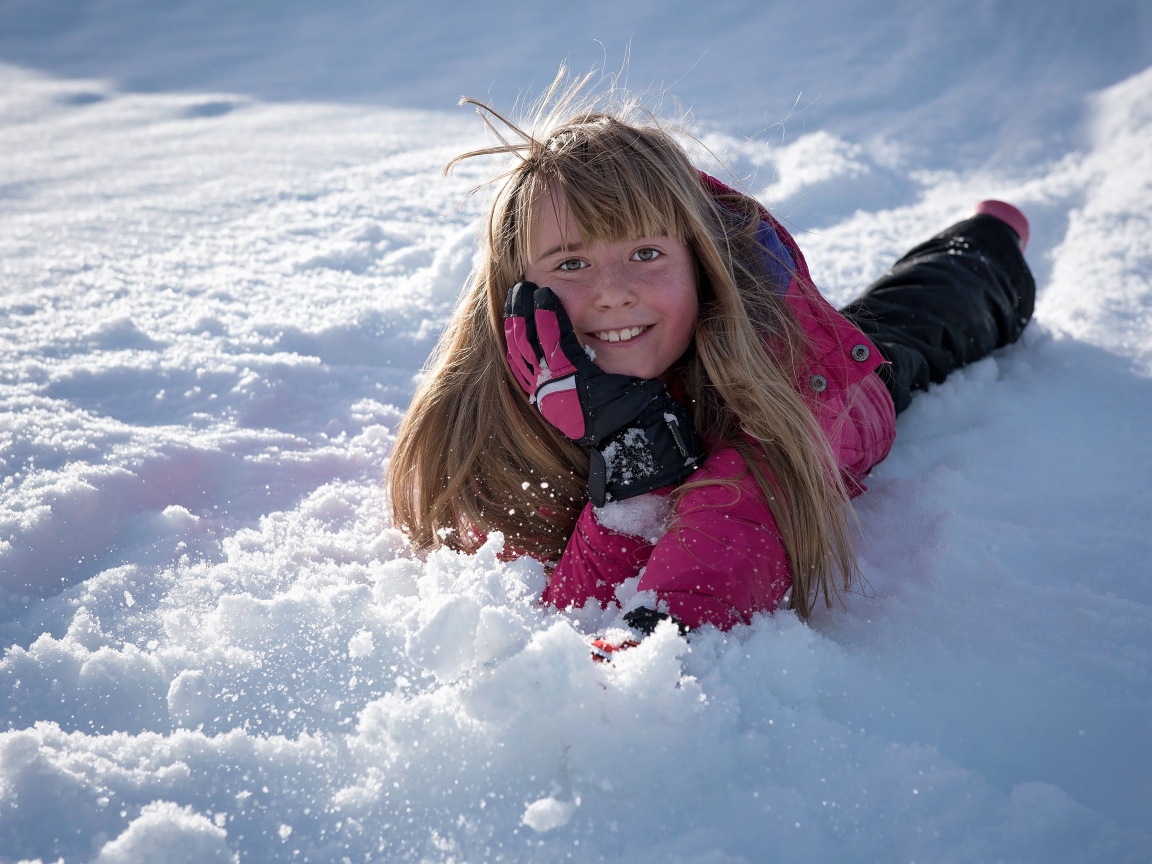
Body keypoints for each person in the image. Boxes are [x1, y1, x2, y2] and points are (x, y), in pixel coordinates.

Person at [388, 79, 1034, 650]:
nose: (615, 290)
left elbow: (729, 531)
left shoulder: (777, 394)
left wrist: (650, 637)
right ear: (517, 294)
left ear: (700, 267)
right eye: (572, 264)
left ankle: (989, 243)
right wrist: (630, 456)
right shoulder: (489, 394)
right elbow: (539, 589)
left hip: (822, 397)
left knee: (914, 328)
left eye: (645, 254)